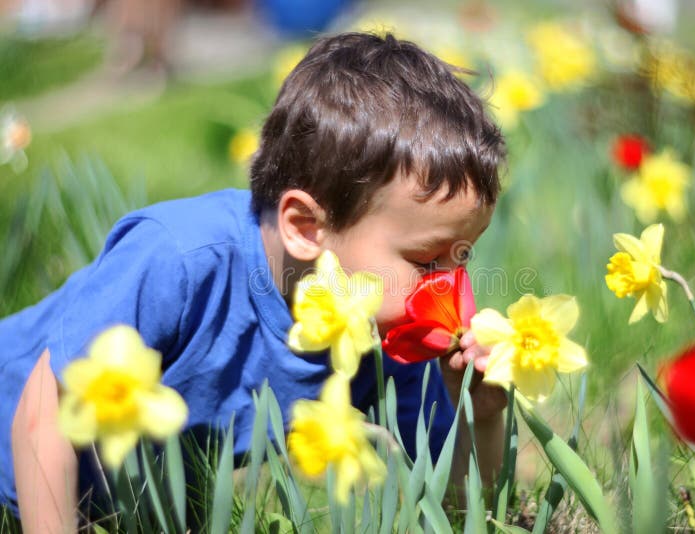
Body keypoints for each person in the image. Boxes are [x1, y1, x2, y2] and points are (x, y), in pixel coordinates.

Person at [1, 31, 508, 532]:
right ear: (306, 228)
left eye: (461, 255)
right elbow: (41, 416)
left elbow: (453, 509)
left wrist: (480, 414)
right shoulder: (178, 258)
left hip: (116, 502)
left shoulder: (389, 333)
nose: (449, 285)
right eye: (426, 260)